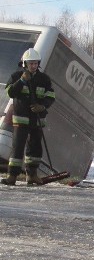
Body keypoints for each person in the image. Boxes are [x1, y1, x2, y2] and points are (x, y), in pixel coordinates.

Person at [2, 49, 55, 186]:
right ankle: (12, 176)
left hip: (37, 120)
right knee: (17, 148)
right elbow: (10, 92)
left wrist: (42, 106)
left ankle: (32, 175)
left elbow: (51, 96)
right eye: (31, 63)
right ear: (25, 63)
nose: (33, 66)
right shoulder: (16, 76)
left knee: (35, 149)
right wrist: (21, 81)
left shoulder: (44, 79)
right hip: (21, 120)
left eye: (36, 63)